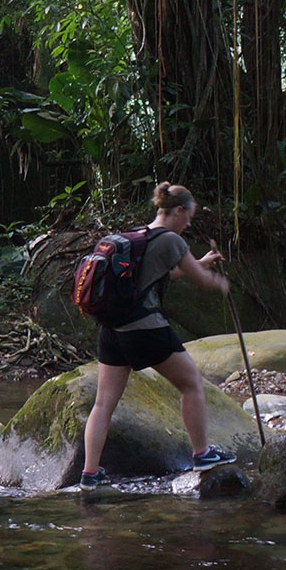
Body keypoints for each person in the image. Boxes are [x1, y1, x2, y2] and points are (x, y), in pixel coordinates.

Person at [79, 183, 234, 484]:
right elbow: (200, 280)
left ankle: (89, 474)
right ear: (178, 210)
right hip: (145, 329)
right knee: (191, 384)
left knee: (103, 404)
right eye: (188, 216)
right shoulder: (171, 240)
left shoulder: (138, 235)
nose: (188, 223)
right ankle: (202, 454)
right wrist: (219, 283)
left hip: (112, 329)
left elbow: (163, 273)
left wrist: (200, 264)